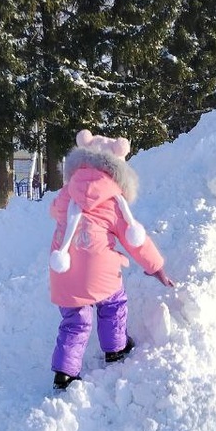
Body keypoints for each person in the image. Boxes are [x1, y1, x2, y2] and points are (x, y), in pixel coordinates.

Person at [48, 128, 174, 390]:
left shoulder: (66, 194)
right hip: (99, 271)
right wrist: (156, 267)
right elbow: (133, 238)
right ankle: (116, 348)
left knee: (74, 320)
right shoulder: (113, 200)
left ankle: (65, 373)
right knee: (113, 303)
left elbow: (54, 211)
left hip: (63, 268)